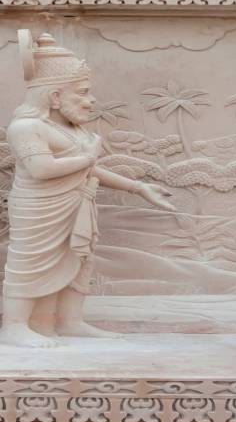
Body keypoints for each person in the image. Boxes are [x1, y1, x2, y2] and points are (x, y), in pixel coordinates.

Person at [0, 31, 175, 347]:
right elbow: (41, 169)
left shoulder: (73, 130)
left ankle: (70, 321)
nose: (91, 100)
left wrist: (137, 187)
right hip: (39, 208)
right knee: (30, 262)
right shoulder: (26, 127)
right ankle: (14, 326)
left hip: (77, 205)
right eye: (82, 92)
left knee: (79, 259)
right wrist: (88, 156)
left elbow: (86, 168)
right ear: (55, 97)